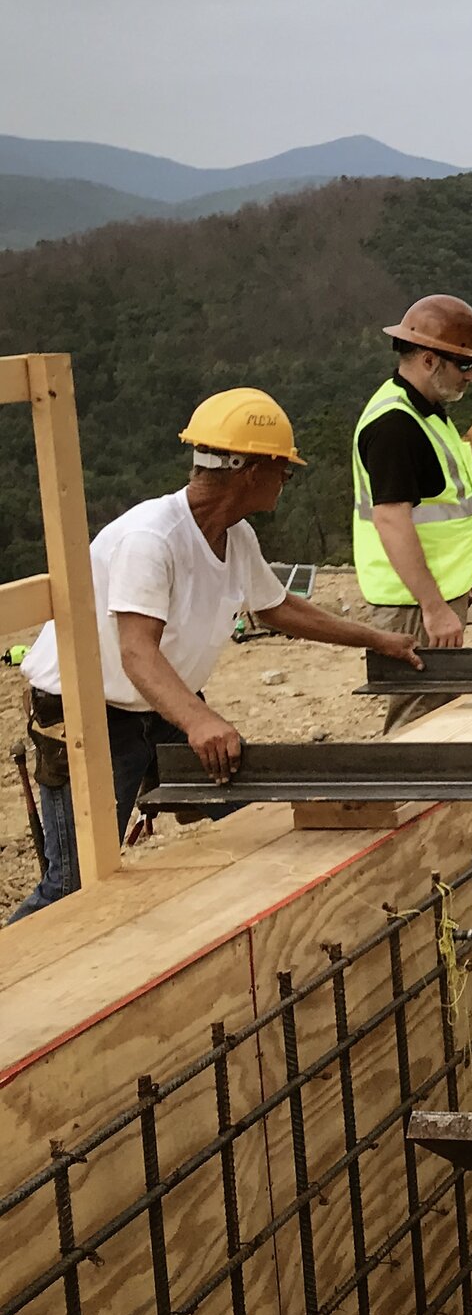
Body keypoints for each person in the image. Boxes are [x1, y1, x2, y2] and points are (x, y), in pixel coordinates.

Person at [10, 389, 425, 921]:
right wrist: (201, 720)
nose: (285, 482)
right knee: (74, 884)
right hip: (88, 714)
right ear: (252, 471)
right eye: (284, 471)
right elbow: (136, 653)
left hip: (160, 706)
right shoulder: (150, 539)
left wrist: (378, 639)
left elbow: (277, 608)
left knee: (251, 808)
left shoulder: (234, 534)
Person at [351, 294, 472, 730]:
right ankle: (405, 800)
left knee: (442, 708)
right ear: (430, 360)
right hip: (412, 601)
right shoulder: (395, 426)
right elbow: (392, 521)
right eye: (463, 365)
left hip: (434, 593)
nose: (471, 375)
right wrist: (433, 605)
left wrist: (458, 587)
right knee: (418, 717)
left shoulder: (426, 413)